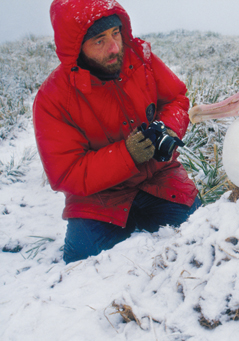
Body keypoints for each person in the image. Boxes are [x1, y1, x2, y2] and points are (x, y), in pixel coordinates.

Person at [33, 0, 200, 263]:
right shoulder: (52, 99)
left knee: (199, 234)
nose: (114, 48)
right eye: (99, 40)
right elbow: (65, 172)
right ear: (76, 48)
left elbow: (176, 98)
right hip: (99, 198)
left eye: (115, 33)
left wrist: (168, 127)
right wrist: (127, 155)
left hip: (158, 178)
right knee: (79, 267)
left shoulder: (141, 59)